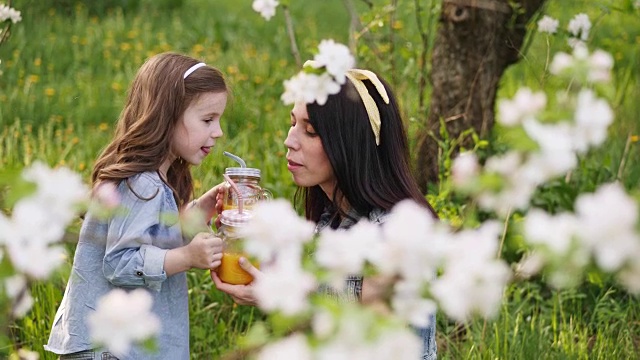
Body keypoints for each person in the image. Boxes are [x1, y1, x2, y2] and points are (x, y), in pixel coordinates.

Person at [211, 64, 438, 359]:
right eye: (293, 124)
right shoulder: (332, 219)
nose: (289, 141)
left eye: (311, 131)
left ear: (350, 143)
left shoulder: (397, 236)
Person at [45, 52, 229, 359]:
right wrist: (186, 256)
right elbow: (119, 262)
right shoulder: (142, 183)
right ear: (167, 116)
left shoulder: (150, 178)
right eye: (207, 120)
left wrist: (202, 210)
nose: (218, 131)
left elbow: (153, 238)